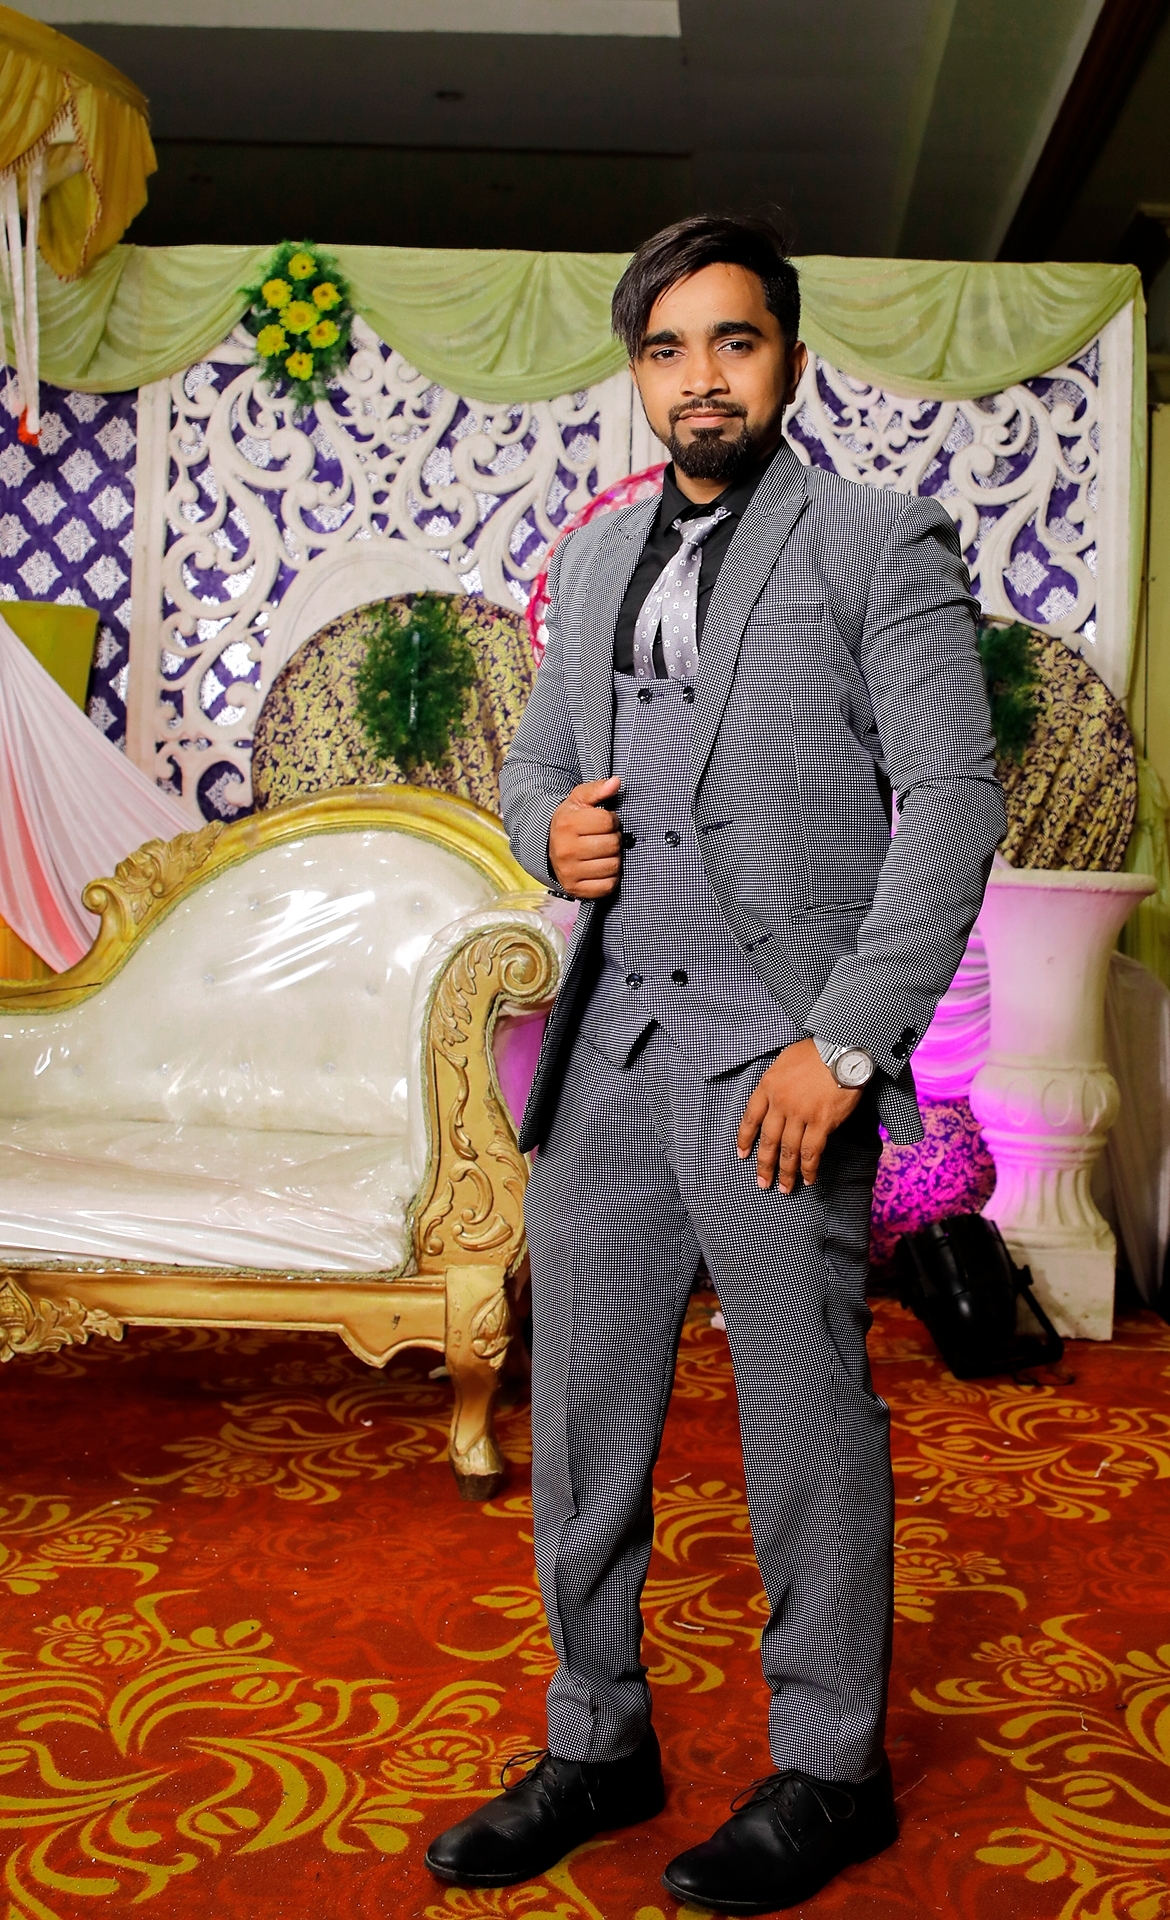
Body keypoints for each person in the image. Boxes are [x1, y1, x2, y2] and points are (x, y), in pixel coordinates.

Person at [425, 213, 1005, 1916]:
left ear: (789, 361)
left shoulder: (878, 538)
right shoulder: (597, 557)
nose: (700, 379)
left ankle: (829, 1772)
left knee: (802, 1423)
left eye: (732, 342)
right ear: (636, 374)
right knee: (580, 1421)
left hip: (774, 1056)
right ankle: (596, 1739)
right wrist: (548, 828)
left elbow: (952, 800)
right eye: (667, 350)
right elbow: (534, 769)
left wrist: (844, 1041)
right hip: (611, 1043)